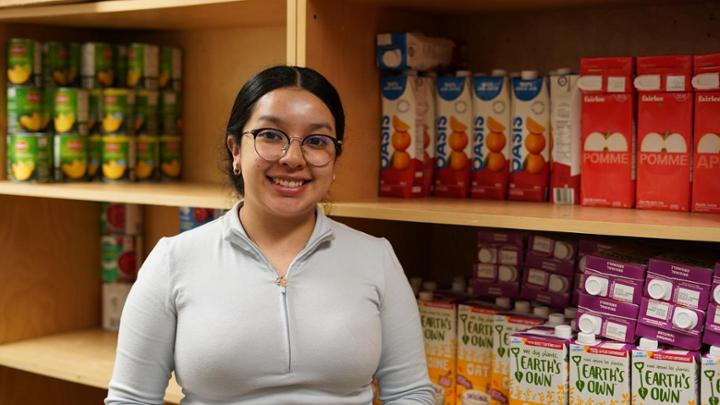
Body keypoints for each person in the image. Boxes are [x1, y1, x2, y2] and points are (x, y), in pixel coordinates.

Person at [105, 65, 434, 404]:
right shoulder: (173, 260)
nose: (293, 158)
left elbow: (410, 393)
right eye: (271, 136)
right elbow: (131, 400)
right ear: (235, 149)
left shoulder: (375, 257)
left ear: (335, 159)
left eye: (317, 141)